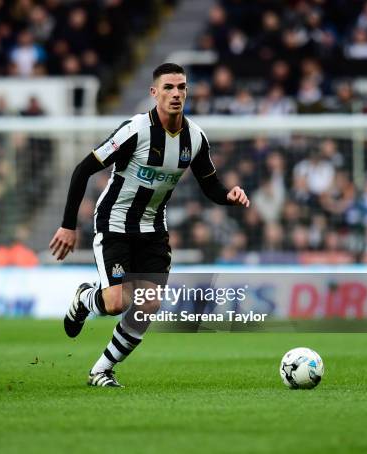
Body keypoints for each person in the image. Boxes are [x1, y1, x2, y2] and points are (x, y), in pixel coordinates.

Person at [49, 63, 249, 387]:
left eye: (182, 87)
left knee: (147, 305)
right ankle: (85, 299)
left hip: (153, 230)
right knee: (116, 302)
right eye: (168, 87)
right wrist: (68, 225)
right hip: (115, 224)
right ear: (154, 92)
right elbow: (82, 169)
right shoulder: (136, 131)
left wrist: (230, 195)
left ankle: (101, 370)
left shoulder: (195, 138)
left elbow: (210, 185)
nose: (176, 94)